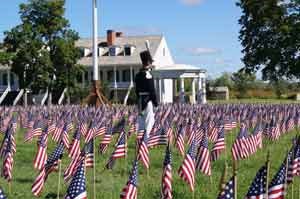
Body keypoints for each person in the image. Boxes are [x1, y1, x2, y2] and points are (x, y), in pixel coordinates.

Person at [135, 50, 158, 137]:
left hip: (140, 100)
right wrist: (155, 103)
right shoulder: (148, 75)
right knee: (149, 121)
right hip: (147, 100)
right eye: (150, 62)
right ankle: (145, 140)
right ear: (148, 63)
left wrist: (139, 99)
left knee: (141, 122)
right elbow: (152, 91)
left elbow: (136, 90)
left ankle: (140, 139)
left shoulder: (137, 75)